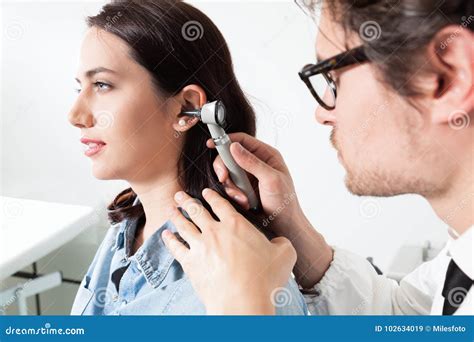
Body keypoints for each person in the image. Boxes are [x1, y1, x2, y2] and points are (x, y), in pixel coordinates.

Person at [162, 0, 473, 315]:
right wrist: (290, 223)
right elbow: (403, 318)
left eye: (333, 79)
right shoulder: (460, 264)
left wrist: (246, 311)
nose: (322, 113)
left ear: (447, 78)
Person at [68, 0, 307, 315]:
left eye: (102, 85)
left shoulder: (251, 284)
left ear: (186, 108)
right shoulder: (121, 238)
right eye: (79, 88)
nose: (76, 115)